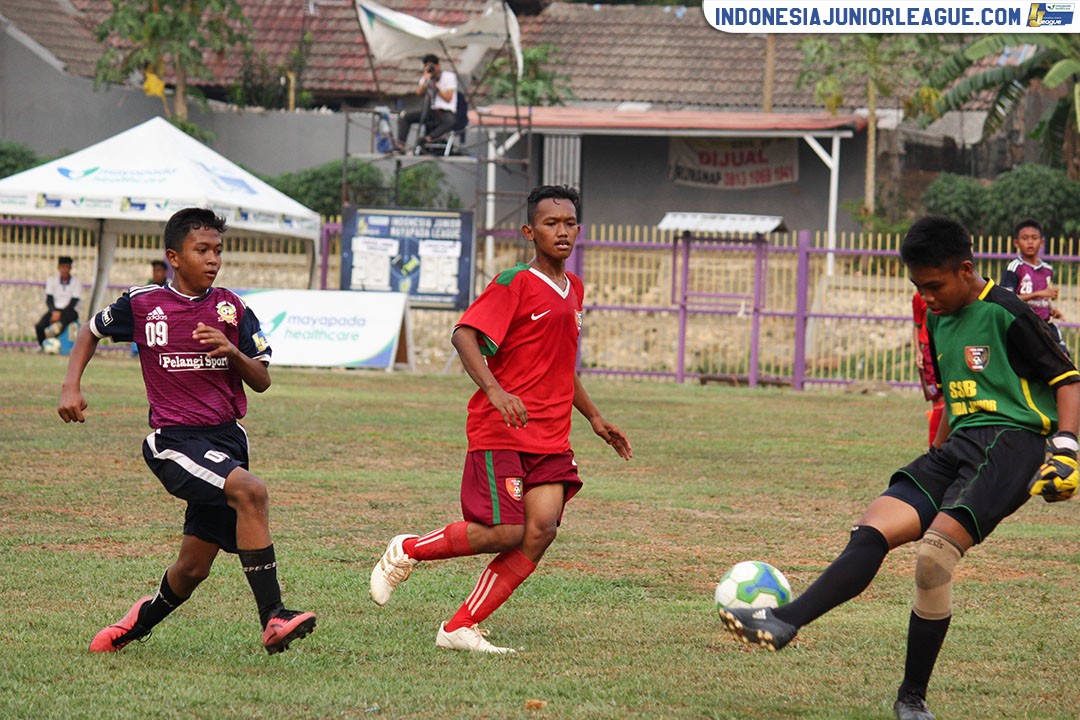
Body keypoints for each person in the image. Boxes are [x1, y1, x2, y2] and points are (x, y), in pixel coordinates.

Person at [719, 216, 1080, 720]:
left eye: (934, 286)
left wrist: (1065, 446)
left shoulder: (1007, 311)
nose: (926, 297)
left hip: (1012, 442)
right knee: (871, 530)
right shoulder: (935, 318)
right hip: (956, 447)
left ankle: (911, 698)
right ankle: (785, 620)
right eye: (917, 287)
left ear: (966, 270)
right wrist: (935, 458)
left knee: (933, 558)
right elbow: (956, 398)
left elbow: (1066, 378)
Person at [368, 185, 633, 653]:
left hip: (552, 436)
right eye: (551, 223)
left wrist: (594, 417)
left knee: (541, 531)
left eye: (570, 223)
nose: (563, 231)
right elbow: (463, 335)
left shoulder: (575, 290)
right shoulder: (514, 282)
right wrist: (495, 390)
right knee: (508, 530)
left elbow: (559, 365)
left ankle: (459, 627)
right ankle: (408, 549)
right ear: (530, 231)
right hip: (502, 429)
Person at [57, 208, 315, 655]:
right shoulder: (142, 304)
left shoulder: (232, 307)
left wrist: (231, 350)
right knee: (250, 491)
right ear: (174, 257)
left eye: (218, 250)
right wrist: (70, 386)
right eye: (202, 250)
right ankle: (274, 616)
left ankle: (133, 625)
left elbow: (262, 379)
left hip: (227, 440)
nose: (213, 259)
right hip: (174, 442)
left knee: (193, 568)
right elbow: (89, 330)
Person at [1001, 218, 1070, 356]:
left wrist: (1051, 310)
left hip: (1044, 323)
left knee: (1063, 356)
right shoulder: (1015, 267)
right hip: (1023, 323)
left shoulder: (1047, 269)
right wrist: (1039, 294)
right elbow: (1005, 298)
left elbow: (1043, 298)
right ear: (1016, 243)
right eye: (1025, 238)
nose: (1030, 242)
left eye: (1034, 238)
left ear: (1042, 242)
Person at [395, 54, 457, 153]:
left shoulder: (449, 77)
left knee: (450, 120)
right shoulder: (427, 77)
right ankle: (400, 145)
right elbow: (418, 93)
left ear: (438, 66)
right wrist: (426, 79)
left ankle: (427, 139)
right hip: (430, 111)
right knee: (405, 117)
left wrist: (436, 86)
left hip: (445, 111)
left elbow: (448, 98)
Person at [912, 291, 944, 446]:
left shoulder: (949, 293)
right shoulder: (918, 297)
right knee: (938, 402)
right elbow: (917, 325)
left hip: (944, 348)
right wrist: (918, 351)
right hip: (928, 353)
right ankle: (934, 449)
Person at [35, 256, 82, 348]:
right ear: (59, 268)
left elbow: (74, 302)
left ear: (70, 268)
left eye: (67, 267)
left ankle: (55, 344)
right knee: (39, 326)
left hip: (70, 310)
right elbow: (49, 299)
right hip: (55, 310)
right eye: (63, 267)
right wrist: (54, 312)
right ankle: (43, 346)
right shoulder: (52, 280)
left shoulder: (76, 282)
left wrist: (59, 314)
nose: (65, 270)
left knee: (59, 326)